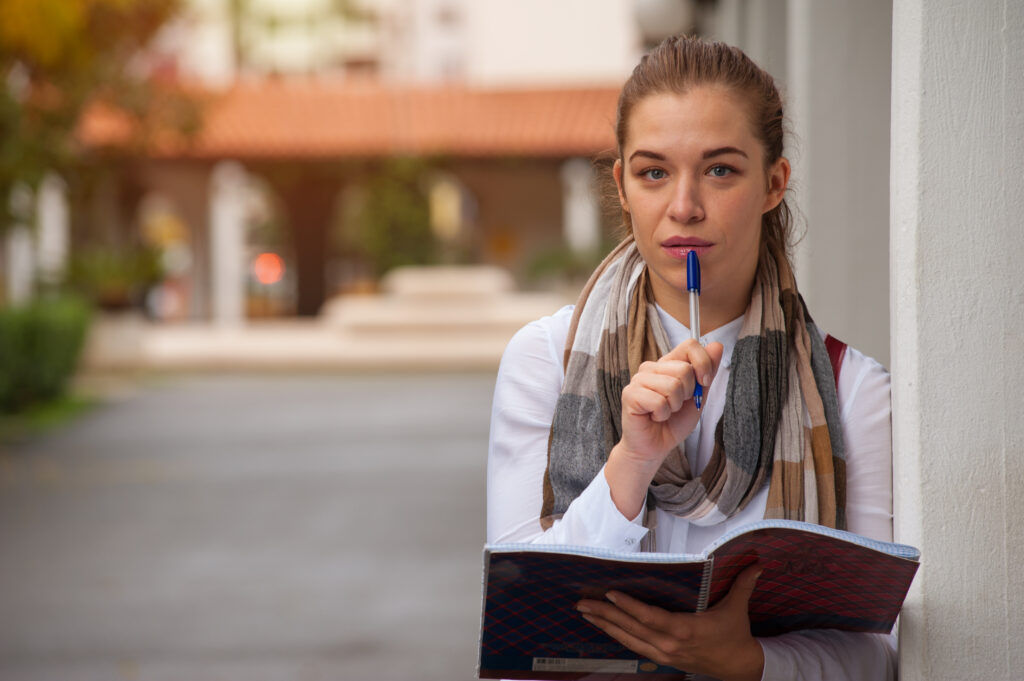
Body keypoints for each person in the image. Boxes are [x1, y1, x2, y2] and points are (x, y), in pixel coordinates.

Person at [486, 35, 894, 681]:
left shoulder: (852, 390)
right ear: (621, 185)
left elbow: (880, 651)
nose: (684, 206)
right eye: (654, 172)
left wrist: (751, 661)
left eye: (721, 169)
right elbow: (516, 634)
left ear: (773, 182)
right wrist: (630, 463)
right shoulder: (546, 361)